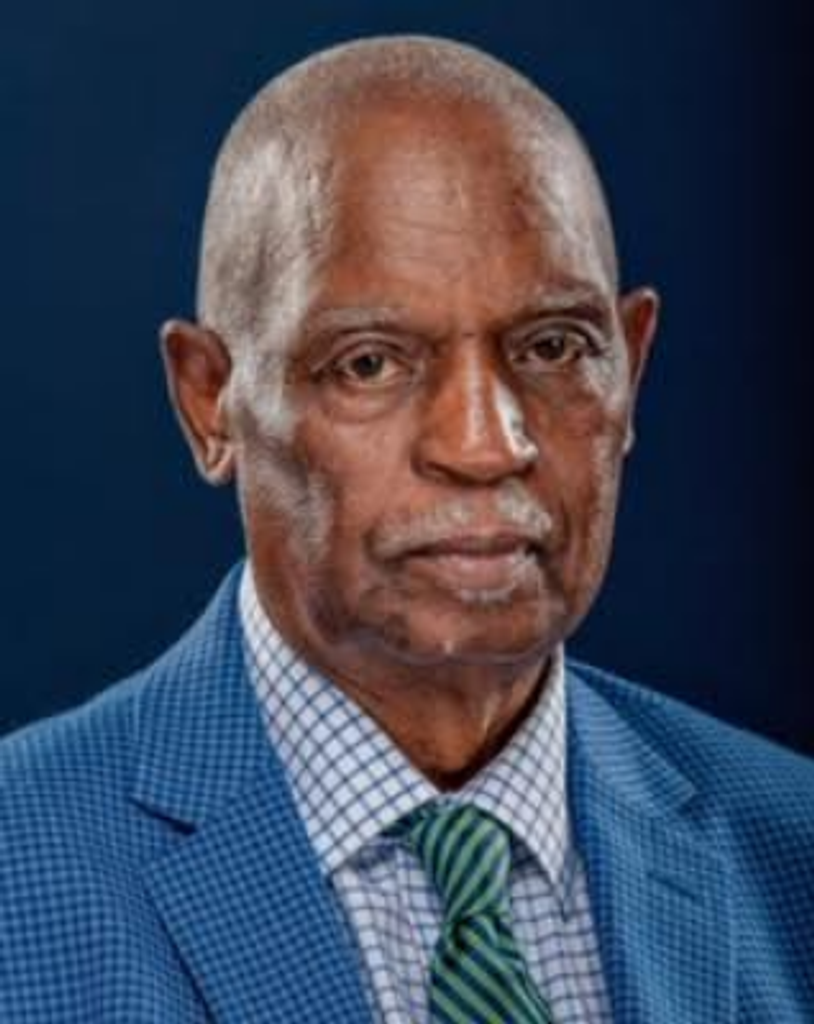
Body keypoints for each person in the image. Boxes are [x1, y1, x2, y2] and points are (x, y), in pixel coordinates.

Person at [2, 35, 812, 1024]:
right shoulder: (20, 865)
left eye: (553, 347)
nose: (486, 443)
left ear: (629, 370)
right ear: (210, 401)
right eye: (369, 363)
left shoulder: (793, 845)